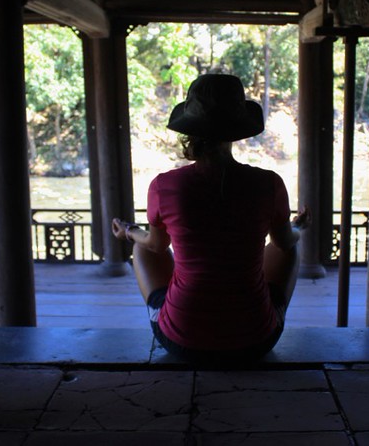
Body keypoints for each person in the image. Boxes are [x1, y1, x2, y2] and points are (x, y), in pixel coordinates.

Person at [111, 73, 309, 362]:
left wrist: (129, 231)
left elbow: (154, 245)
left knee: (141, 246)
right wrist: (298, 226)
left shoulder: (165, 185)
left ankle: (171, 312)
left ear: (190, 128)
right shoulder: (268, 183)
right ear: (238, 130)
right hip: (256, 339)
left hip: (181, 339)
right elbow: (284, 241)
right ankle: (257, 315)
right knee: (289, 248)